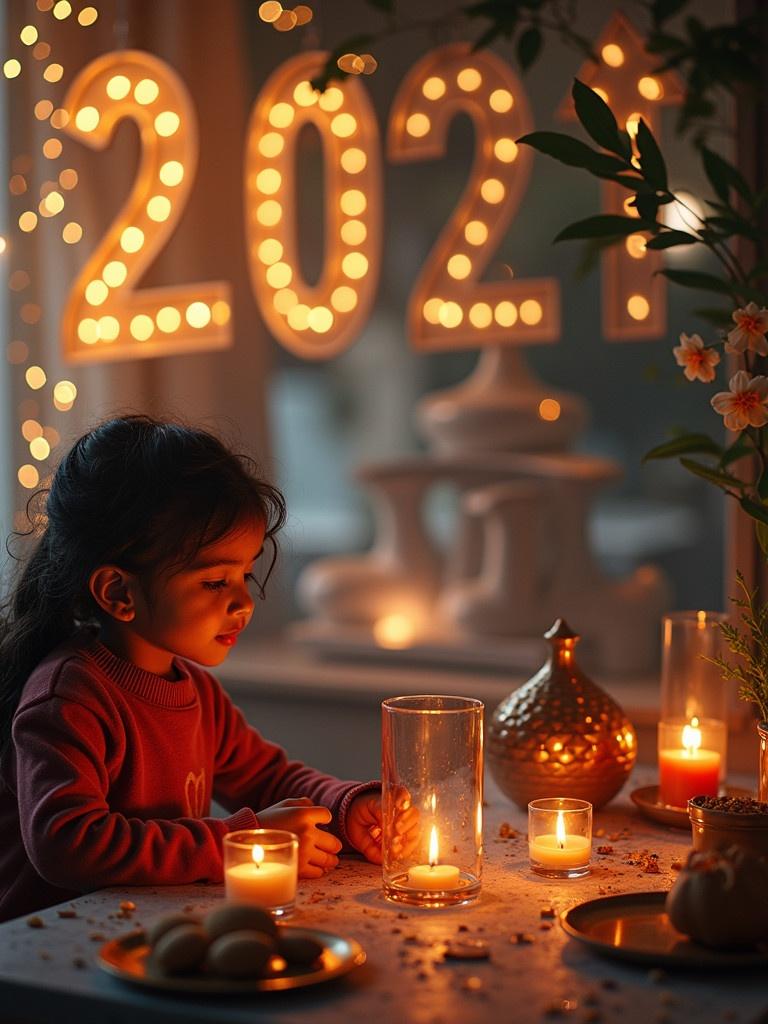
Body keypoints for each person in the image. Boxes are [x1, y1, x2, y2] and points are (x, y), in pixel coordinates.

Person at [0, 415, 414, 922]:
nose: (244, 601)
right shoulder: (69, 698)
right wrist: (242, 839)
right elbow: (68, 844)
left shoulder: (194, 690)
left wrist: (347, 809)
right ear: (119, 592)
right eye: (216, 582)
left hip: (140, 931)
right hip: (48, 959)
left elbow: (268, 777)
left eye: (246, 573)